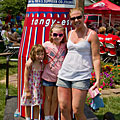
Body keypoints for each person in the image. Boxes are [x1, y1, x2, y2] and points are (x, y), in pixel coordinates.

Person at [57, 7, 101, 120]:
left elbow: (96, 57)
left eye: (78, 17)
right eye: (73, 18)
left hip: (82, 76)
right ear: (70, 20)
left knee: (77, 110)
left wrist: (97, 78)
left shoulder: (92, 34)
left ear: (84, 17)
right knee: (63, 108)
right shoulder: (70, 33)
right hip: (64, 74)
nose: (76, 20)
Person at [26, 23, 67, 120]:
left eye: (60, 35)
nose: (57, 37)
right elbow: (36, 51)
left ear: (63, 35)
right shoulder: (46, 45)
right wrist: (30, 60)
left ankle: (51, 116)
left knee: (55, 98)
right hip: (48, 76)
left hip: (60, 77)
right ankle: (47, 116)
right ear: (51, 34)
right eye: (55, 34)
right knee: (48, 98)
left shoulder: (65, 45)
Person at [21, 44, 47, 120]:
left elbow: (41, 79)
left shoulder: (42, 65)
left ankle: (36, 118)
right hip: (29, 86)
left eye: (42, 54)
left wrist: (41, 90)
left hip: (37, 88)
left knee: (36, 104)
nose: (40, 56)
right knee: (27, 104)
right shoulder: (29, 64)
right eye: (38, 54)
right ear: (33, 54)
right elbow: (25, 77)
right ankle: (27, 118)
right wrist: (27, 90)